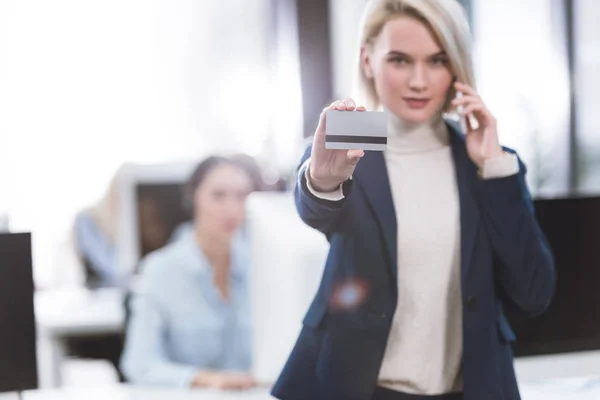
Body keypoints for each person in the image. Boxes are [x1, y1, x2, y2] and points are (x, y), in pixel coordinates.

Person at [271, 1, 555, 400]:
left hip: (466, 390)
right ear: (368, 60)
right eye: (400, 60)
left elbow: (534, 293)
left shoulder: (485, 160)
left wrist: (495, 169)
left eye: (437, 61)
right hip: (361, 388)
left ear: (455, 65)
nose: (419, 81)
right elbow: (315, 208)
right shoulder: (351, 145)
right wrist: (321, 180)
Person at [120, 156, 256, 389]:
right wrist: (207, 380)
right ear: (194, 198)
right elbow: (139, 364)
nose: (232, 208)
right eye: (218, 195)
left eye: (241, 196)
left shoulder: (260, 267)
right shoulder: (161, 270)